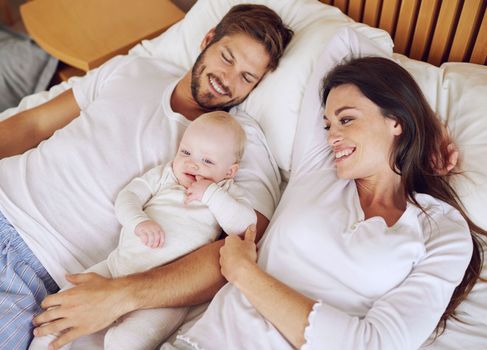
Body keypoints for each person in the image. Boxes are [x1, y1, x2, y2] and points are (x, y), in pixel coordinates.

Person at [0, 4, 293, 350]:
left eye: (247, 77)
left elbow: (242, 247)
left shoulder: (239, 143)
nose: (227, 79)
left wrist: (124, 296)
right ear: (208, 39)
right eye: (227, 57)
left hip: (36, 267)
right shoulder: (135, 68)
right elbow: (33, 124)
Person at [160, 56, 486, 350]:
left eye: (346, 120)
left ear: (396, 121)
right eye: (328, 125)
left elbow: (377, 345)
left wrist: (244, 273)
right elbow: (343, 42)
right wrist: (429, 123)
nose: (331, 137)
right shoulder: (319, 169)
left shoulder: (444, 230)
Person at [29, 111, 256, 350]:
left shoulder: (226, 193)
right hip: (116, 265)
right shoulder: (165, 175)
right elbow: (128, 197)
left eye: (207, 161)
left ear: (230, 172)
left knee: (124, 342)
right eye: (186, 152)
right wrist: (139, 221)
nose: (192, 163)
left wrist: (210, 194)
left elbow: (244, 227)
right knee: (58, 310)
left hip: (166, 296)